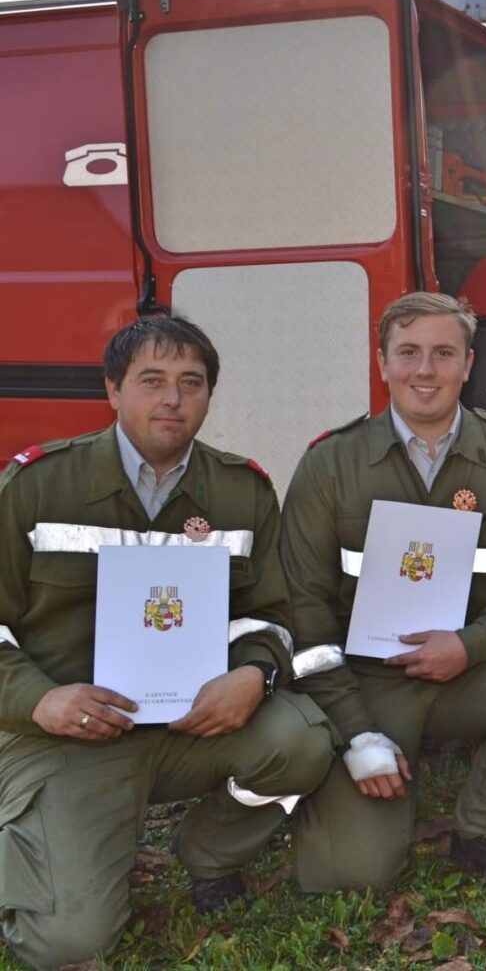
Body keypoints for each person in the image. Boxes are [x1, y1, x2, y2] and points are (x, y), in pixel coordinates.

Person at [0, 317, 336, 970]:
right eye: (151, 381)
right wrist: (42, 701)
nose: (173, 400)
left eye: (191, 383)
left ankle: (207, 852)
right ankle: (42, 841)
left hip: (190, 723)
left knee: (301, 741)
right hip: (70, 734)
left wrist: (254, 675)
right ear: (113, 391)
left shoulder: (241, 491)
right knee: (69, 943)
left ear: (210, 395)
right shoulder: (37, 486)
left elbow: (268, 613)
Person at [282, 293, 486, 891]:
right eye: (408, 353)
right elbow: (303, 608)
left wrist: (471, 645)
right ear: (382, 362)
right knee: (352, 875)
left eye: (444, 353)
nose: (425, 370)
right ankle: (365, 768)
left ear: (468, 364)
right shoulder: (330, 464)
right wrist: (356, 732)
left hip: (474, 664)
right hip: (367, 679)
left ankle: (485, 828)